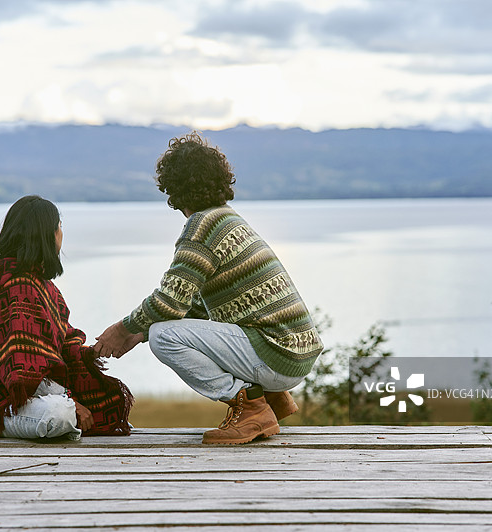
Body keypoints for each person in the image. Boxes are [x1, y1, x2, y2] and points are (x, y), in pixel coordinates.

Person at [94, 132, 323, 445]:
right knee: (160, 329)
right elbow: (195, 309)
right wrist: (138, 333)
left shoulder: (201, 227)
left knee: (164, 338)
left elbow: (169, 302)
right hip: (295, 352)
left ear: (172, 188)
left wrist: (122, 330)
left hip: (277, 353)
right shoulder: (229, 220)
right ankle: (272, 398)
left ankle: (253, 407)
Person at [0, 195, 132, 442]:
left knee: (104, 408)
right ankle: (14, 424)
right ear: (47, 235)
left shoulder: (42, 286)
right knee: (60, 415)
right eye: (59, 226)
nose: (62, 233)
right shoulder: (18, 288)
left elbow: (58, 351)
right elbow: (22, 370)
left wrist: (95, 351)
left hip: (29, 397)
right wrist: (71, 401)